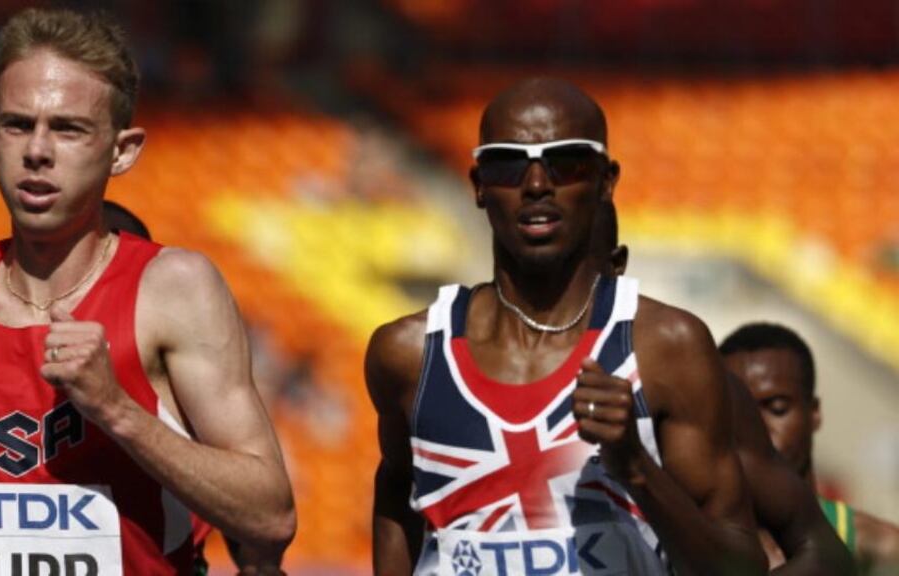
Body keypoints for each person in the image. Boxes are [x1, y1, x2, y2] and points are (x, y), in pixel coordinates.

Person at [0, 8, 295, 575]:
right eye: (19, 125)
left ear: (123, 151)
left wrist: (116, 409)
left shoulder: (172, 290)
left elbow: (270, 516)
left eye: (68, 129)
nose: (38, 151)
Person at [366, 77, 767, 575]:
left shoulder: (665, 346)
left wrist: (637, 469)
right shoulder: (409, 353)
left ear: (605, 181)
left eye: (567, 163)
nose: (537, 185)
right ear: (478, 186)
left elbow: (740, 568)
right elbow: (396, 494)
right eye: (509, 165)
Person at [597, 202, 855, 574]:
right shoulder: (481, 366)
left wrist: (637, 467)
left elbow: (824, 554)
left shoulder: (677, 376)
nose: (761, 424)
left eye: (777, 407)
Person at [721, 323, 899, 573]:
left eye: (777, 408)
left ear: (814, 412)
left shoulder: (879, 547)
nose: (757, 428)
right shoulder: (681, 542)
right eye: (740, 412)